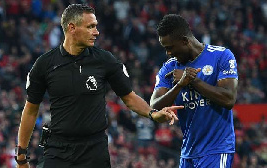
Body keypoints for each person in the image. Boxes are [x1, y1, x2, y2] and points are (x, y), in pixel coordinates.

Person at [15, 4, 183, 168]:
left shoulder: (105, 60)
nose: (96, 32)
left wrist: (153, 114)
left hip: (94, 150)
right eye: (90, 27)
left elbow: (129, 98)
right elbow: (30, 110)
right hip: (58, 149)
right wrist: (21, 155)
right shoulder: (45, 64)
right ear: (72, 28)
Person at [150, 14, 238, 168]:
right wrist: (179, 85)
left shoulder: (221, 56)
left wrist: (193, 81)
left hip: (216, 150)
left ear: (185, 41)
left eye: (170, 47)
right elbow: (154, 107)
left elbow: (229, 99)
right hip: (188, 153)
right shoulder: (169, 68)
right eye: (165, 48)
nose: (168, 53)